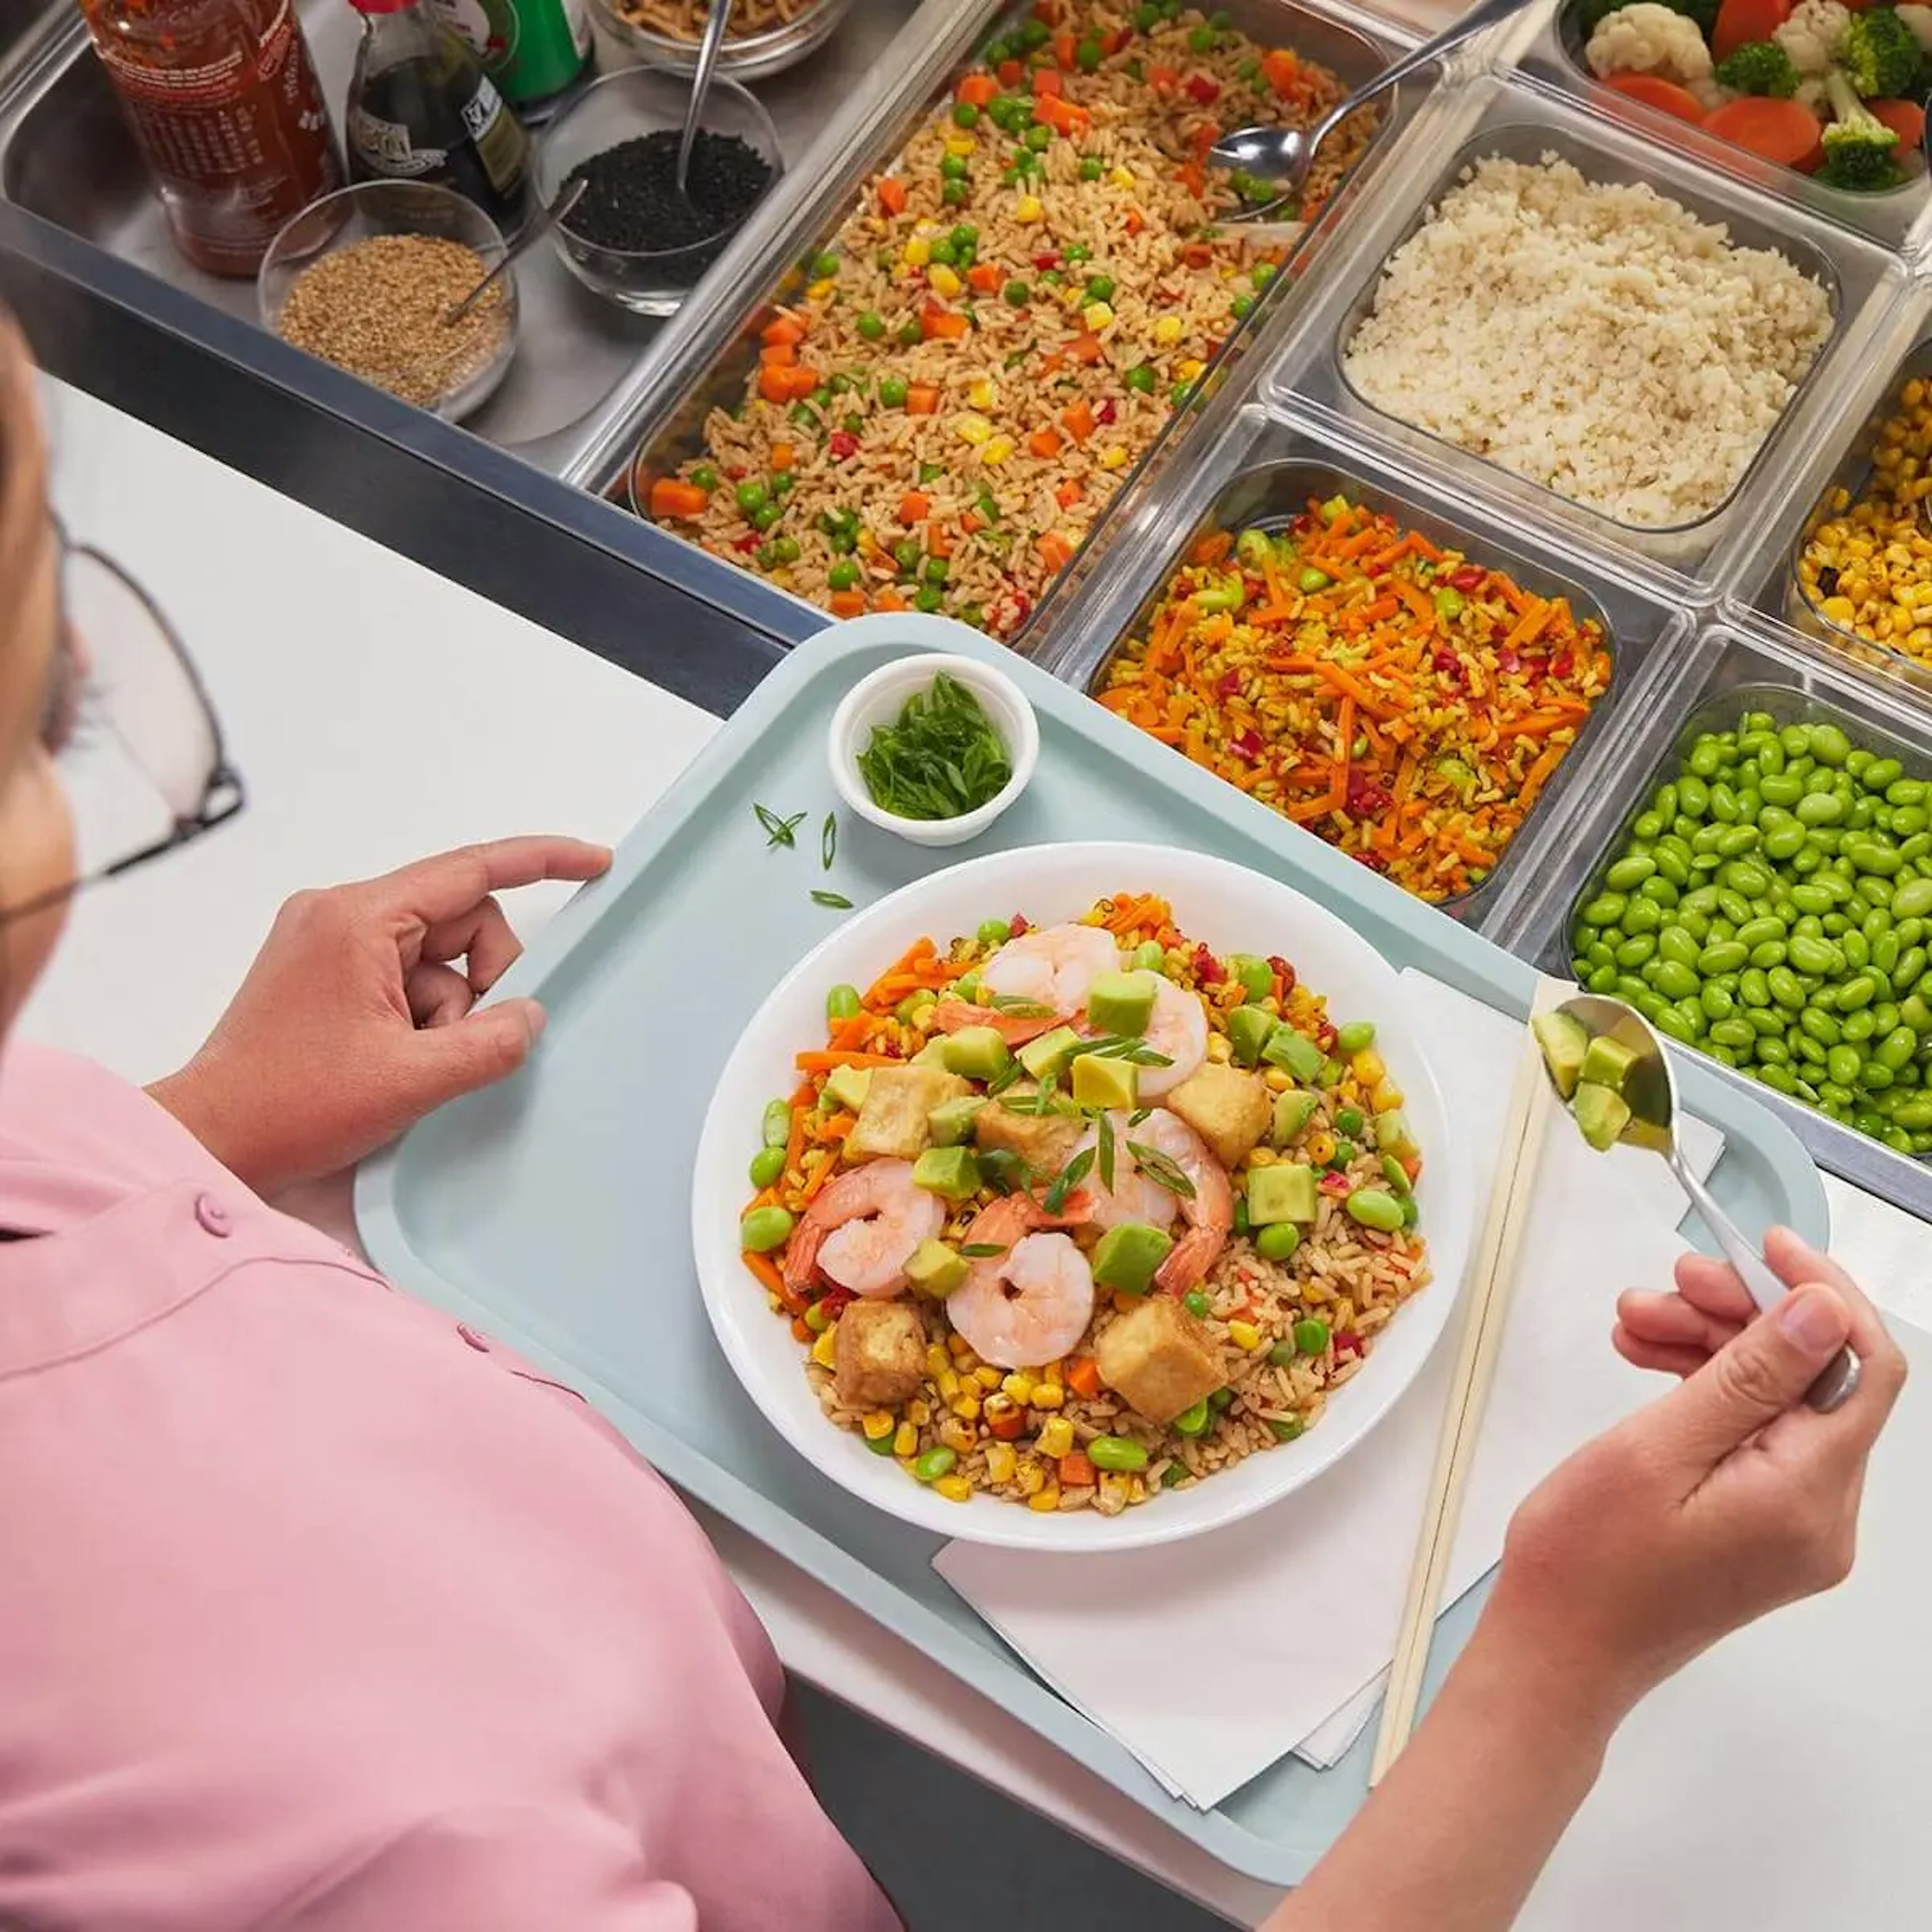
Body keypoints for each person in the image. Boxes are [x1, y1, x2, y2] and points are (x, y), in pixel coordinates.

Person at [0, 311, 1904, 1930]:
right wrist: (1558, 1673)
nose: (92, 745)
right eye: (47, 708)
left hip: (725, 1709)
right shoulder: (360, 1842)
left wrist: (183, 1141)